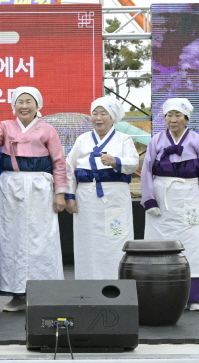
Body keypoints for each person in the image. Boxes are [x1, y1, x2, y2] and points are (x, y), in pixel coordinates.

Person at [0, 86, 66, 312]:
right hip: (12, 187)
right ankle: (17, 296)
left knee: (42, 239)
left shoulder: (48, 130)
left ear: (38, 105)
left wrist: (60, 193)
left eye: (29, 101)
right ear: (13, 106)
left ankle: (43, 293)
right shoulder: (5, 127)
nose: (24, 105)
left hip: (40, 187)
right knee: (11, 239)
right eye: (20, 101)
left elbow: (58, 163)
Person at [141, 98, 199, 311]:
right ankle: (157, 295)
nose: (173, 120)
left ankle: (194, 296)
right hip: (162, 199)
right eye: (169, 116)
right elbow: (146, 171)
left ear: (186, 119)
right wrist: (149, 200)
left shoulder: (198, 141)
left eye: (177, 116)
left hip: (189, 197)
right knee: (158, 245)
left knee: (192, 245)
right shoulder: (156, 140)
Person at [65, 96, 139, 280]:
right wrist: (69, 196)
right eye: (95, 113)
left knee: (116, 238)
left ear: (112, 117)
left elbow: (133, 163)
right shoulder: (82, 139)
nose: (98, 118)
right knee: (87, 241)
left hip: (114, 197)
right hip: (86, 198)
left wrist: (116, 161)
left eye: (103, 113)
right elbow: (69, 167)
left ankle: (117, 284)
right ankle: (88, 285)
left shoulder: (124, 139)